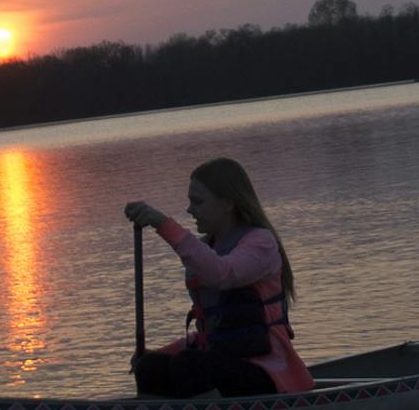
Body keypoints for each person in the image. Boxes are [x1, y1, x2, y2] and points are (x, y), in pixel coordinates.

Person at [124, 157, 314, 397]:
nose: (190, 209)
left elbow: (222, 274)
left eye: (198, 201)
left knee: (189, 366)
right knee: (149, 367)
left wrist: (163, 224)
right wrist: (159, 352)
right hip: (225, 365)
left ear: (227, 203)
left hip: (267, 373)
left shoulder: (261, 243)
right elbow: (214, 333)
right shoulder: (205, 249)